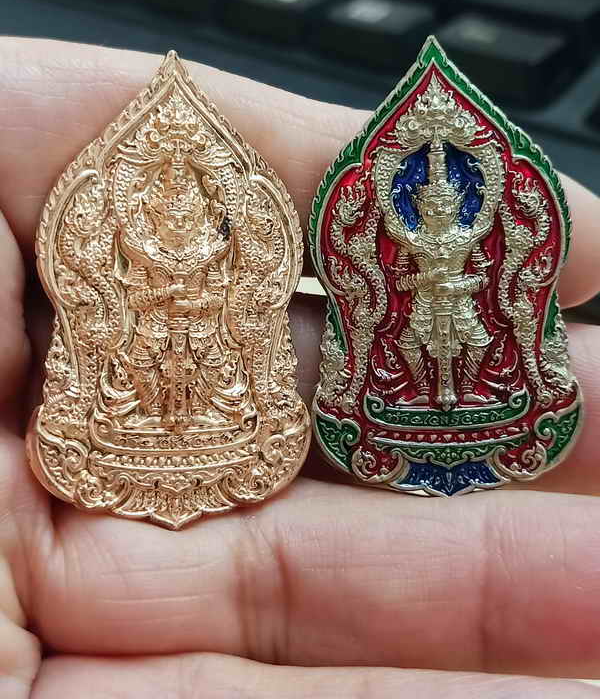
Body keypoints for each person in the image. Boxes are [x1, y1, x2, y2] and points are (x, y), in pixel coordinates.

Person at [1, 39, 600, 698]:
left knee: (453, 354)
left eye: (187, 203)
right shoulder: (141, 237)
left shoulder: (455, 232)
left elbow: (469, 225)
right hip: (157, 342)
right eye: (165, 204)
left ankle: (450, 400)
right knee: (152, 362)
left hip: (443, 303)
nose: (176, 212)